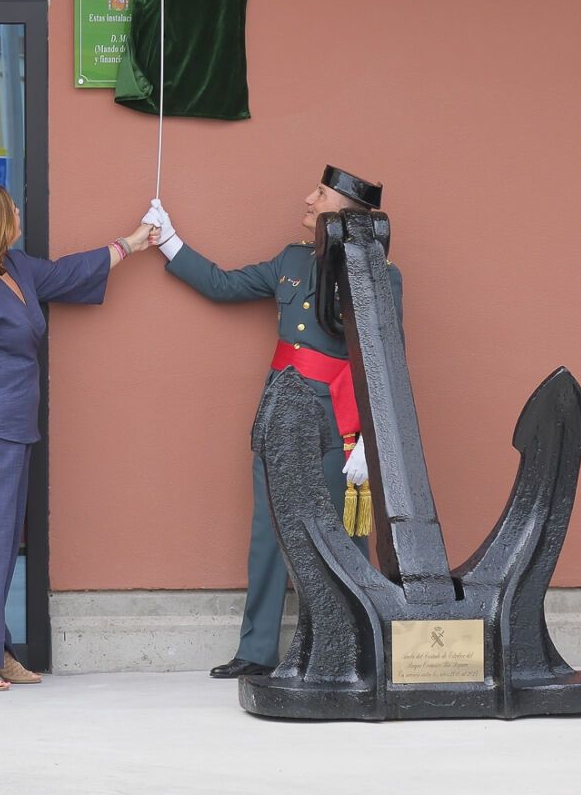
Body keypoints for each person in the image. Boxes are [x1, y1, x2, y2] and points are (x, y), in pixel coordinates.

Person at [141, 165, 400, 680]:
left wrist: (373, 442)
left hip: (337, 416)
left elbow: (386, 361)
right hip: (282, 411)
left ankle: (347, 644)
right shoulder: (290, 260)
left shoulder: (380, 275)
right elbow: (222, 284)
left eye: (319, 194)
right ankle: (257, 649)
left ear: (346, 211)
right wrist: (168, 240)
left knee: (343, 534)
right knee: (268, 532)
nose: (307, 199)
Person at [0, 184, 154, 691]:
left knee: (1, 545)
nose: (17, 215)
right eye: (10, 211)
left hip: (13, 432)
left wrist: (132, 243)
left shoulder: (14, 268)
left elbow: (67, 272)